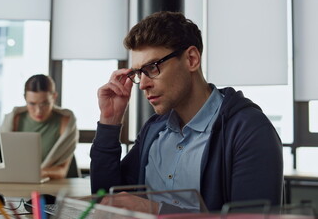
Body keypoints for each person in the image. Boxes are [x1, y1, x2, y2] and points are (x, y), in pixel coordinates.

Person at [90, 11, 283, 213]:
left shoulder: (250, 130)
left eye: (152, 68)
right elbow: (107, 200)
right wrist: (110, 121)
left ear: (191, 59)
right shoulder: (154, 129)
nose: (143, 85)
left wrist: (156, 211)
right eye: (139, 73)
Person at [1, 74, 79, 179]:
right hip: (19, 181)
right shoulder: (13, 120)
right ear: (25, 98)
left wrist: (40, 173)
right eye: (32, 104)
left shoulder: (66, 123)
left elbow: (62, 171)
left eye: (45, 103)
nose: (38, 110)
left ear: (54, 97)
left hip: (55, 185)